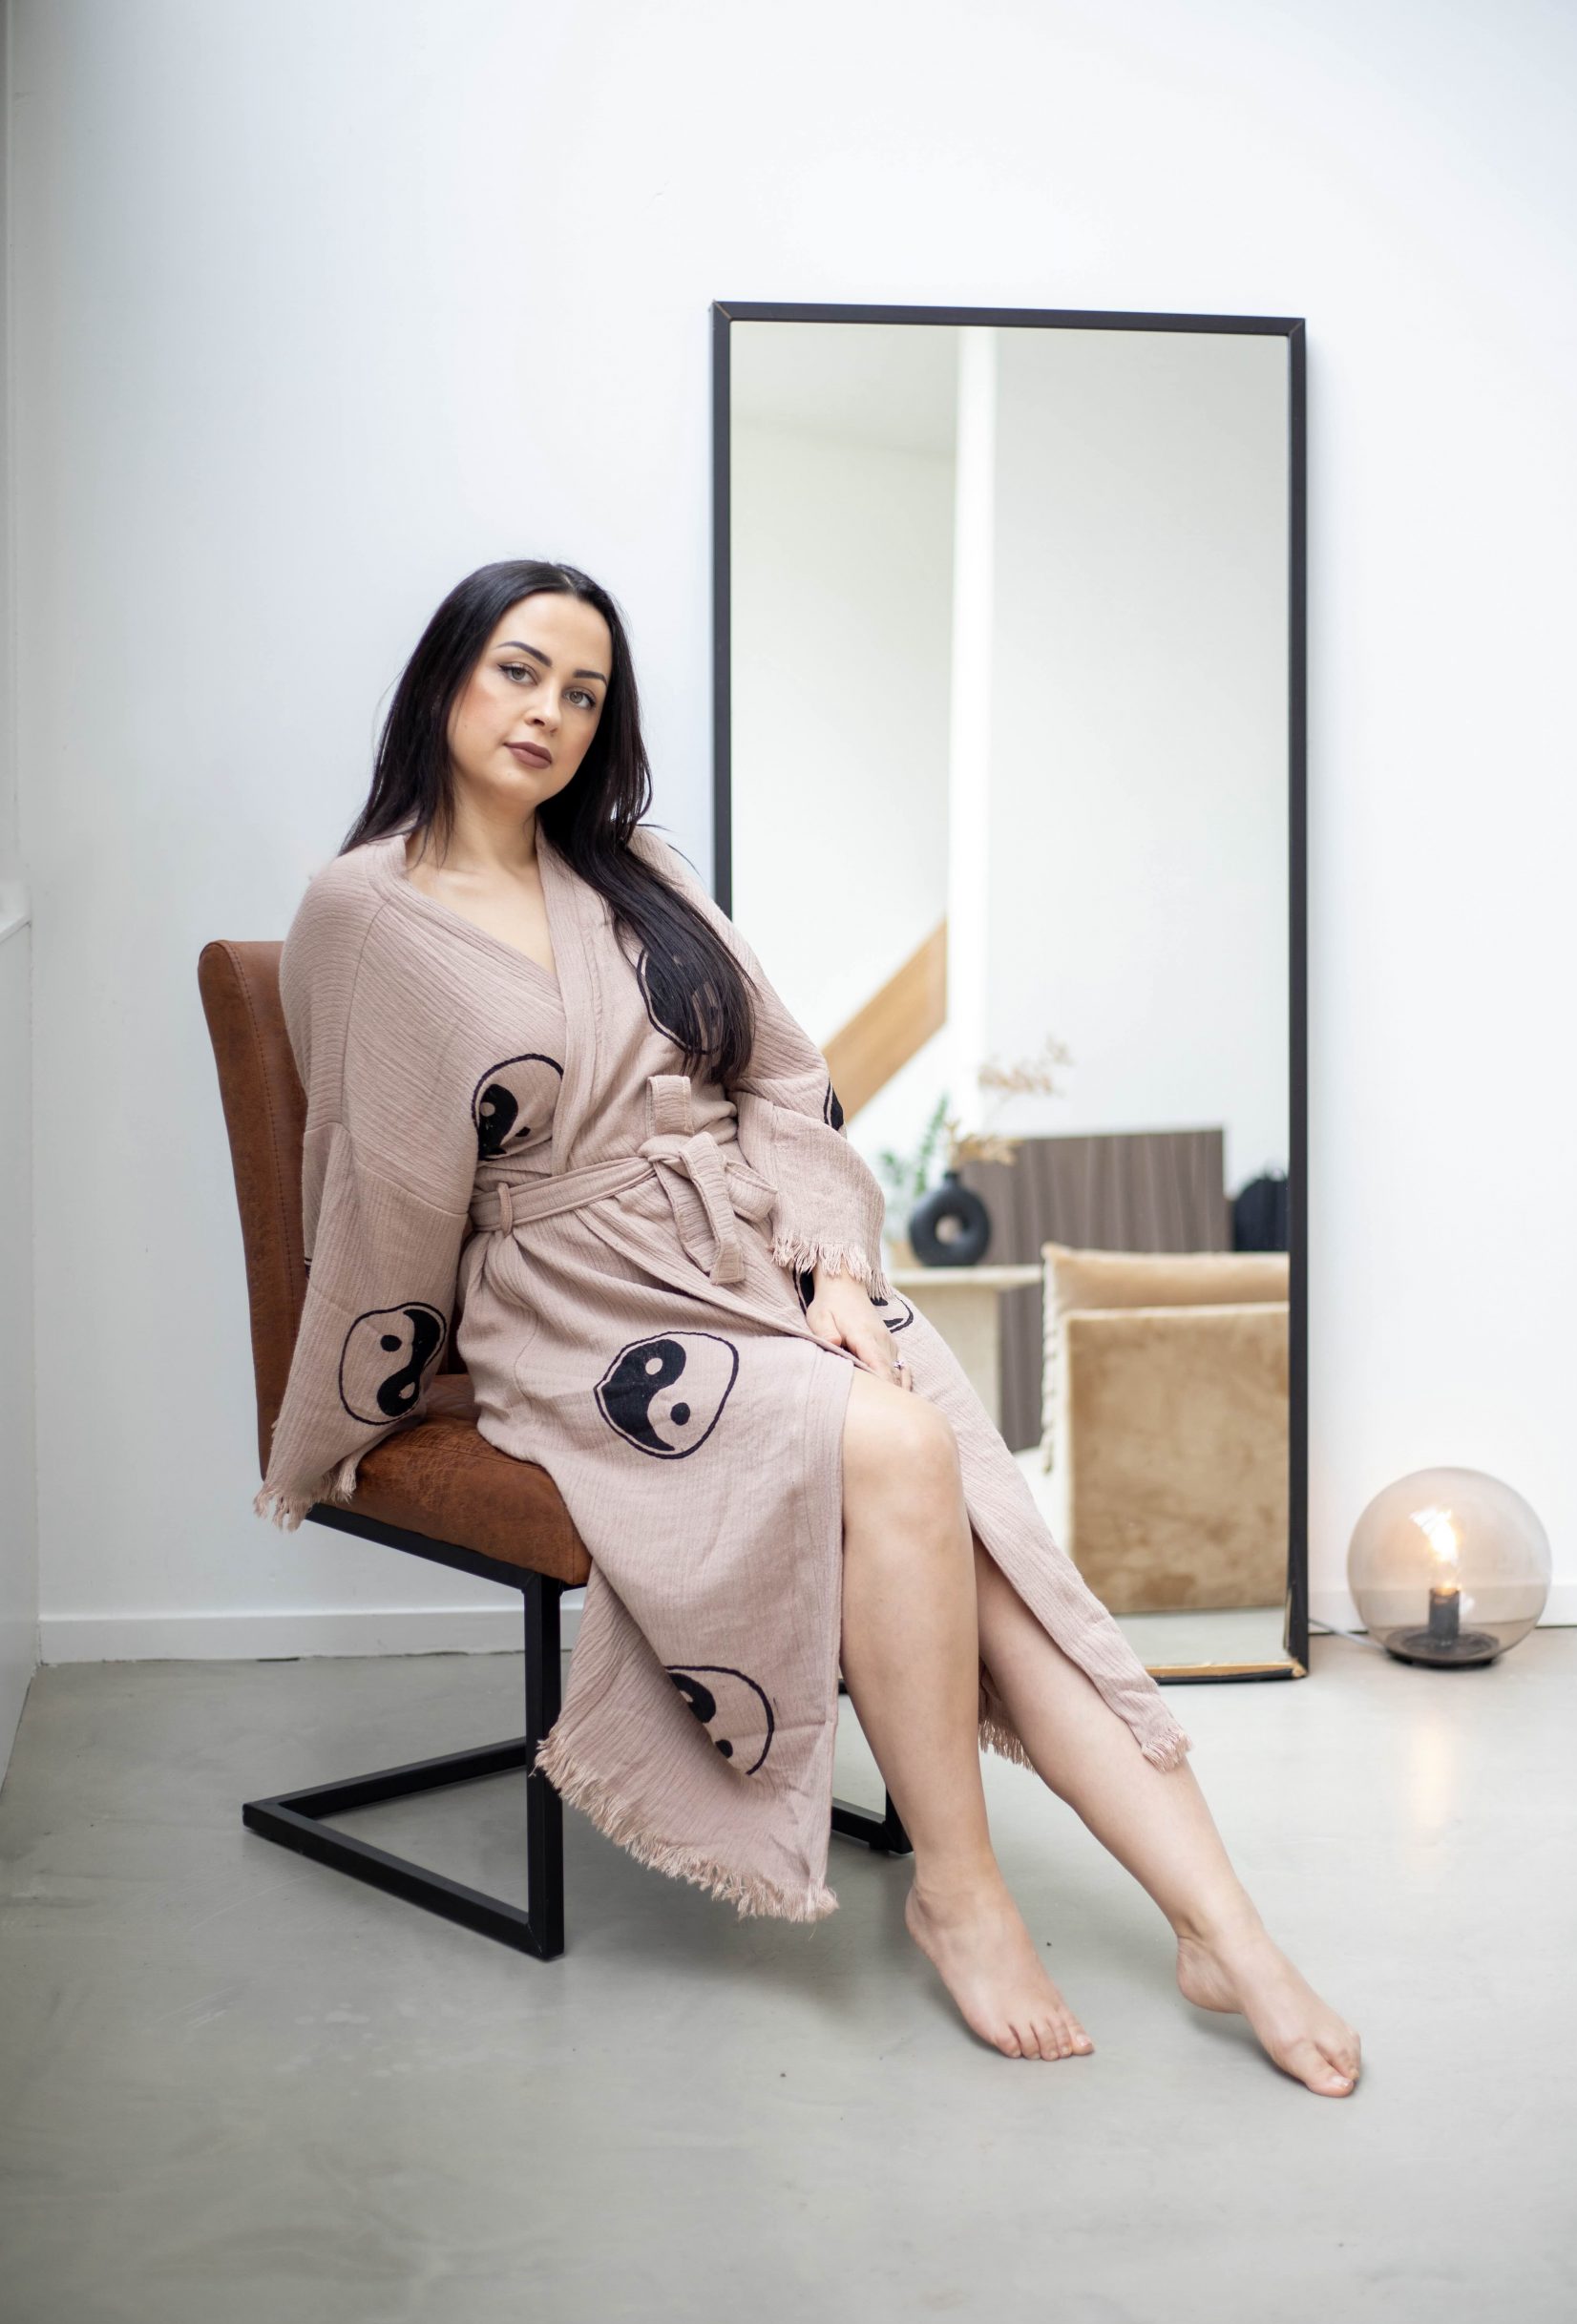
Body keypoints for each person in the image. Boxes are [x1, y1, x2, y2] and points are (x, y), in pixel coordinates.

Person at [256, 558, 1360, 2094]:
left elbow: (779, 1075)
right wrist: (346, 1408)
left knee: (994, 1548)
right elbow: (379, 1180)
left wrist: (838, 1268)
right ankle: (961, 1893)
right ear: (446, 674)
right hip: (582, 1313)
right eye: (518, 671)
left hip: (764, 1258)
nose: (549, 712)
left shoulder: (635, 868)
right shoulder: (362, 912)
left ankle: (1224, 1929)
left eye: (583, 692)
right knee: (900, 1446)